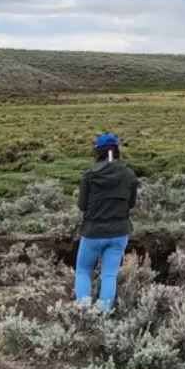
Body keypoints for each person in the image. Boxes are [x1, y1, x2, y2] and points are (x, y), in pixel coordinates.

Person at [76, 132, 139, 312]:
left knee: (83, 270)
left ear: (98, 151)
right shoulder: (129, 174)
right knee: (109, 274)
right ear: (116, 150)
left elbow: (82, 205)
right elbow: (131, 204)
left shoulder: (90, 175)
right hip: (119, 232)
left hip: (93, 232)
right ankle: (103, 312)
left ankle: (83, 311)